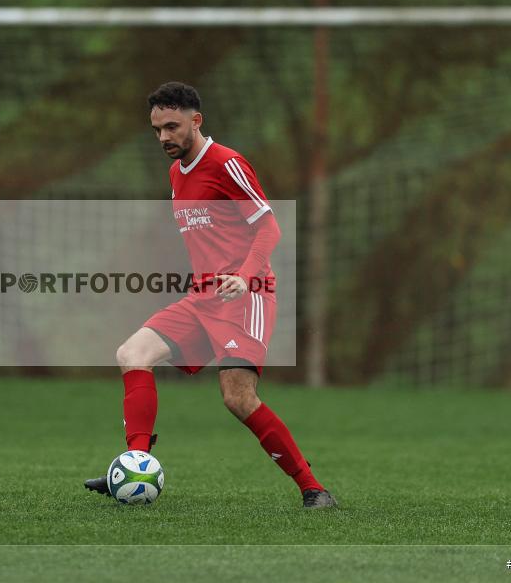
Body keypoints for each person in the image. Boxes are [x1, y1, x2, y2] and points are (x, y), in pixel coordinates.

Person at [84, 82, 336, 508]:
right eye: (157, 129)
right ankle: (135, 466)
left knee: (237, 398)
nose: (164, 137)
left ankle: (313, 488)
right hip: (203, 298)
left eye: (172, 126)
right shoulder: (175, 173)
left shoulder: (227, 163)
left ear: (195, 121)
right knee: (132, 354)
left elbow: (268, 227)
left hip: (247, 296)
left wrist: (244, 275)